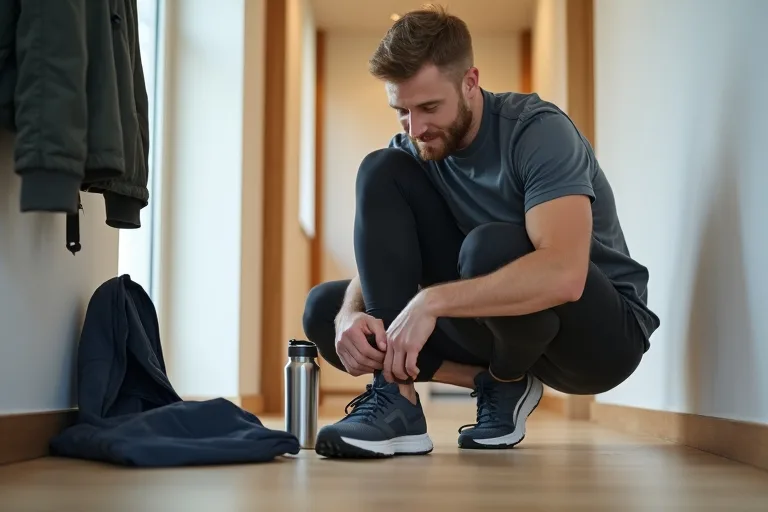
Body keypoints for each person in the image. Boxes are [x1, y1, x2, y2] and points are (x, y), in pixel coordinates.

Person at [302, 4, 660, 459]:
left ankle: (508, 377)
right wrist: (351, 315)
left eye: (430, 107)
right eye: (402, 111)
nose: (416, 128)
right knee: (326, 307)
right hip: (502, 324)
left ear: (470, 82)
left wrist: (430, 301)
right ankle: (404, 400)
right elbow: (387, 260)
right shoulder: (413, 149)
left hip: (599, 338)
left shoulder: (537, 131)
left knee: (489, 249)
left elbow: (566, 274)